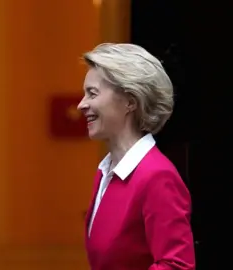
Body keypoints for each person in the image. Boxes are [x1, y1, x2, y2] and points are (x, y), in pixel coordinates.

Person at [78, 43, 195, 270]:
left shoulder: (157, 176)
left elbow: (177, 265)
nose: (81, 104)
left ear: (130, 101)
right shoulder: (105, 173)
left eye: (92, 93)